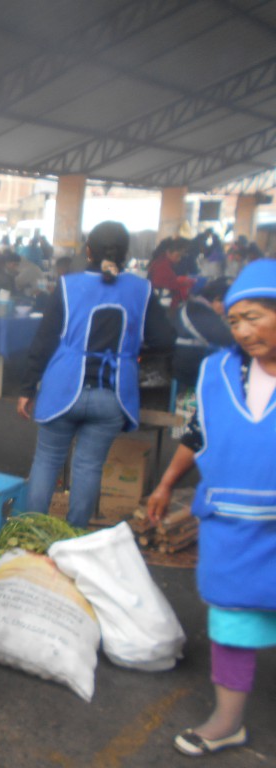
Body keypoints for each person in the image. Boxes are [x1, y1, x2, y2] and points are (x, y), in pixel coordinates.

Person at [145, 259, 276, 757]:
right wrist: (166, 483)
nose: (243, 331)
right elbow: (199, 434)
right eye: (236, 320)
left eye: (256, 317)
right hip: (232, 524)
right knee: (232, 624)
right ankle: (228, 721)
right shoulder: (219, 371)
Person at [17, 221, 175, 527]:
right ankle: (74, 539)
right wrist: (133, 349)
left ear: (88, 251)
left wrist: (27, 387)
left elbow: (44, 341)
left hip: (63, 389)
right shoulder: (142, 290)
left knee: (47, 461)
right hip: (113, 395)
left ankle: (31, 534)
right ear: (126, 254)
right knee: (88, 467)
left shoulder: (67, 285)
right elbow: (165, 339)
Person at [172, 278, 234, 389]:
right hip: (191, 369)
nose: (226, 310)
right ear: (217, 300)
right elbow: (226, 338)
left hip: (180, 363)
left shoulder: (191, 306)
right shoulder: (201, 312)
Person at [148, 237, 195, 307]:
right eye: (177, 256)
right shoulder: (163, 267)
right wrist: (183, 284)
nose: (179, 259)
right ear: (168, 252)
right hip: (160, 304)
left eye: (181, 256)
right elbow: (168, 286)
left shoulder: (161, 262)